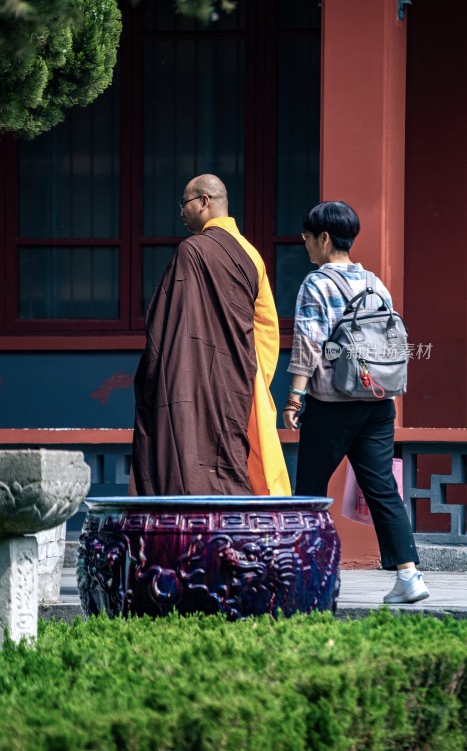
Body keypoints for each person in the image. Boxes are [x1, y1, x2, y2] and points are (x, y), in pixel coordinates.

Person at [283, 200, 429, 604]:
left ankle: (308, 576)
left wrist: (294, 397)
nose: (306, 245)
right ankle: (409, 576)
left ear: (324, 238)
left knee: (310, 491)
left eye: (308, 238)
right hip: (379, 402)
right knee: (382, 487)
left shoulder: (317, 283)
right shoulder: (374, 282)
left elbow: (309, 345)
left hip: (332, 402)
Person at [129, 173, 290, 498]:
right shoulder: (251, 254)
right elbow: (267, 327)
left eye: (184, 204)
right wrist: (256, 379)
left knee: (187, 447)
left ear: (204, 202)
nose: (181, 212)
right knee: (234, 456)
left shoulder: (192, 251)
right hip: (237, 384)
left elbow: (166, 326)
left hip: (188, 381)